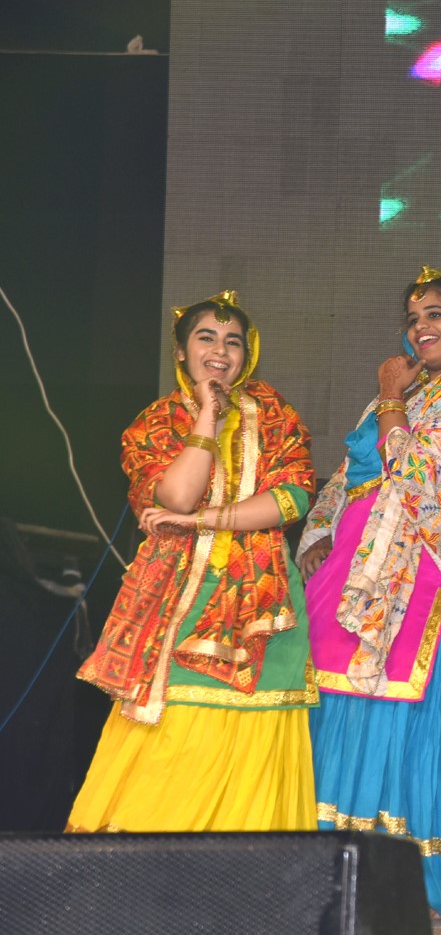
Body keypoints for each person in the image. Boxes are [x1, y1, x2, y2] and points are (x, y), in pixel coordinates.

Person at [298, 266, 441, 918]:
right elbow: (347, 475)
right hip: (348, 570)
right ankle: (323, 872)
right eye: (413, 319)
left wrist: (390, 394)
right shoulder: (396, 397)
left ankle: (401, 881)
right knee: (333, 699)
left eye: (436, 315)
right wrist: (318, 536)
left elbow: (418, 474)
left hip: (418, 569)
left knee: (396, 707)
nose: (421, 328)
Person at [71, 291, 318, 832]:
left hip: (263, 602)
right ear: (181, 351)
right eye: (206, 338)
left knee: (256, 743)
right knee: (173, 742)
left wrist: (204, 521)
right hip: (177, 599)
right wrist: (208, 415)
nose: (221, 351)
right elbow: (178, 497)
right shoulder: (157, 422)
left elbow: (293, 499)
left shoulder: (274, 414)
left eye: (233, 342)